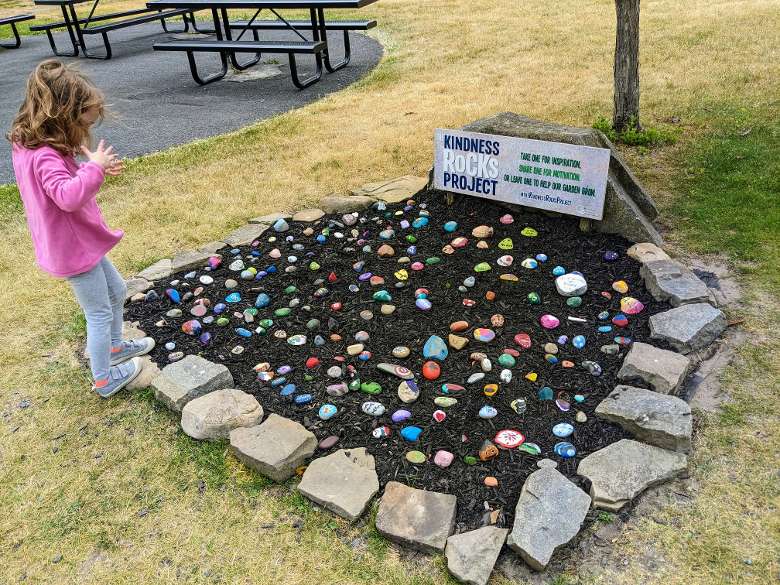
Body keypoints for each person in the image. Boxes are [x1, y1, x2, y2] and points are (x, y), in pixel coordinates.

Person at [7, 60, 154, 398]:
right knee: (99, 312)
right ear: (62, 117)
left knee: (116, 291)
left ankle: (115, 348)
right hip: (72, 249)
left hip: (78, 241)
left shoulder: (29, 144)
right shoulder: (44, 155)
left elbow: (57, 182)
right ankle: (104, 379)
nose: (86, 131)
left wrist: (88, 167)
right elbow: (66, 197)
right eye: (83, 123)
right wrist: (93, 171)